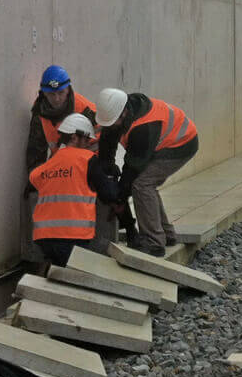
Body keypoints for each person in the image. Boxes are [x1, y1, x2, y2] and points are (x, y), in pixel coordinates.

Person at [96, 88, 198, 257]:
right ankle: (165, 234)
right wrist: (107, 172)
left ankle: (154, 243)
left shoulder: (144, 127)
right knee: (145, 184)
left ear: (124, 113)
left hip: (181, 144)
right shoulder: (115, 112)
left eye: (114, 122)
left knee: (142, 184)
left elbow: (133, 169)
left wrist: (120, 196)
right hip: (164, 143)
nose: (111, 126)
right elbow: (107, 142)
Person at [28, 114, 120, 267]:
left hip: (44, 237)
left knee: (57, 269)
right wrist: (113, 182)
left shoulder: (50, 163)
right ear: (74, 138)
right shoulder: (87, 159)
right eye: (86, 140)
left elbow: (33, 178)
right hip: (74, 236)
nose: (88, 144)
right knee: (71, 277)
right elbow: (109, 193)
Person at [26, 65, 97, 172]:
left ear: (68, 89)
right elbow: (35, 150)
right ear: (44, 93)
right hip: (60, 163)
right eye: (51, 94)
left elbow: (106, 141)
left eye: (61, 93)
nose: (57, 99)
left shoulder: (85, 110)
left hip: (87, 164)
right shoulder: (40, 109)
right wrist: (37, 180)